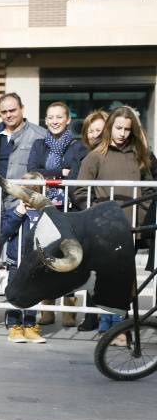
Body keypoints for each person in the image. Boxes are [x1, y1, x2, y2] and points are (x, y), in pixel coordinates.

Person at [74, 106, 154, 346]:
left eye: (127, 129)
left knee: (128, 279)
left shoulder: (141, 155)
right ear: (110, 128)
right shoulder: (95, 155)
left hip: (131, 227)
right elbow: (79, 191)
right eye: (118, 128)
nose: (122, 133)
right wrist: (98, 214)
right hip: (105, 227)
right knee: (110, 277)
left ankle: (121, 327)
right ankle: (112, 327)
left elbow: (151, 187)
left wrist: (142, 212)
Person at [26, 101, 87, 327]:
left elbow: (75, 173)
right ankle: (47, 307)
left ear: (68, 119)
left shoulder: (78, 146)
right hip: (44, 205)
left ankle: (69, 310)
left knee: (70, 256)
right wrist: (58, 172)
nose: (54, 121)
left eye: (59, 117)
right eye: (50, 117)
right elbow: (32, 171)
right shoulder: (39, 144)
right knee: (46, 255)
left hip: (69, 206)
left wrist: (53, 174)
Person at [0, 92, 47, 225]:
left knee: (21, 245)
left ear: (22, 109)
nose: (8, 115)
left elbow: (46, 169)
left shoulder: (40, 135)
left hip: (23, 203)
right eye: (4, 112)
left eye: (12, 110)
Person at [70, 110, 108, 332]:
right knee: (91, 269)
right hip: (87, 216)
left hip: (112, 217)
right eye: (91, 130)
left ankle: (109, 320)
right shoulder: (82, 154)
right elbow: (77, 185)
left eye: (99, 130)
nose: (95, 134)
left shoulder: (114, 154)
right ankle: (91, 317)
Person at [0, 172, 48, 344]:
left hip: (36, 262)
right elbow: (3, 232)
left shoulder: (45, 213)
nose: (30, 198)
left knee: (33, 294)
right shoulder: (16, 211)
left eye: (35, 192)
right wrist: (18, 213)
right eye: (26, 193)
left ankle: (30, 325)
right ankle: (14, 325)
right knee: (16, 293)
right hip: (16, 261)